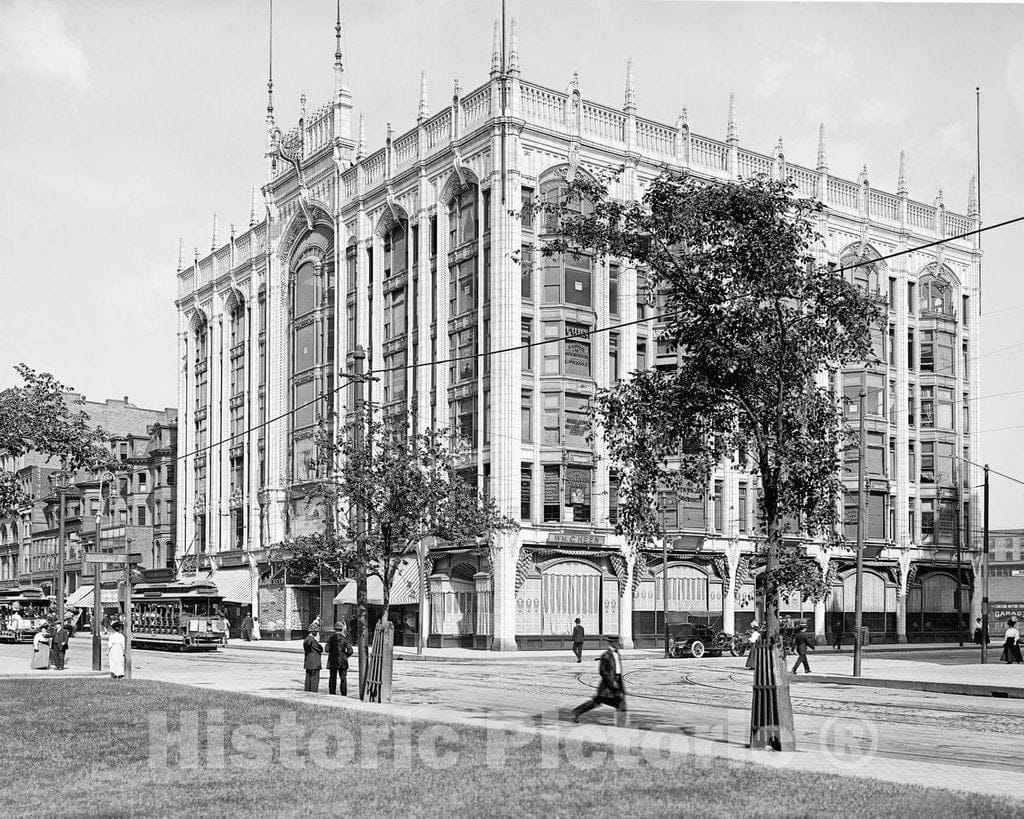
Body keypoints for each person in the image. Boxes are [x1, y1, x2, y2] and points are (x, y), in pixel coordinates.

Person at [571, 635, 627, 726]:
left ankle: (621, 724)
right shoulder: (605, 656)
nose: (618, 644)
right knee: (598, 702)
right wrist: (612, 682)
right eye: (617, 642)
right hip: (607, 686)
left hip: (616, 682)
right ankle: (576, 712)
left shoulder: (617, 654)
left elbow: (619, 672)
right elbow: (603, 672)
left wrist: (621, 686)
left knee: (620, 702)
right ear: (612, 643)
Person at [326, 622, 353, 695]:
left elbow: (326, 649)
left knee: (332, 677)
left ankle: (332, 692)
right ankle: (343, 693)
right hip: (342, 661)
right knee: (343, 678)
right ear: (341, 630)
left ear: (335, 629)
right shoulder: (344, 639)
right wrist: (345, 656)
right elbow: (350, 650)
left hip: (333, 661)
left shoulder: (330, 638)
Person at [303, 627, 323, 692]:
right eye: (316, 632)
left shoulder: (306, 640)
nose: (317, 633)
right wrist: (317, 642)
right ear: (312, 631)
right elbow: (320, 649)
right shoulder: (313, 640)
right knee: (314, 681)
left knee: (308, 679)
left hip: (308, 662)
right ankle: (313, 694)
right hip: (315, 663)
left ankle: (307, 692)